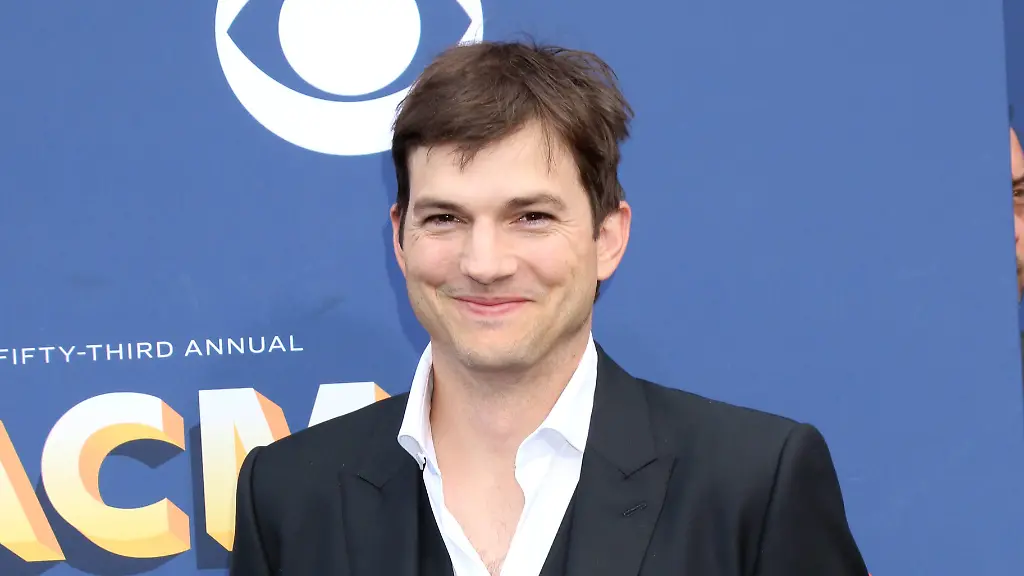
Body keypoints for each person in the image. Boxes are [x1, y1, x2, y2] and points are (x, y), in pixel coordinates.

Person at [229, 41, 869, 576]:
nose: (485, 263)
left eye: (531, 217)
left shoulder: (752, 484)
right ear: (400, 238)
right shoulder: (287, 495)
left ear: (607, 238)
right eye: (445, 218)